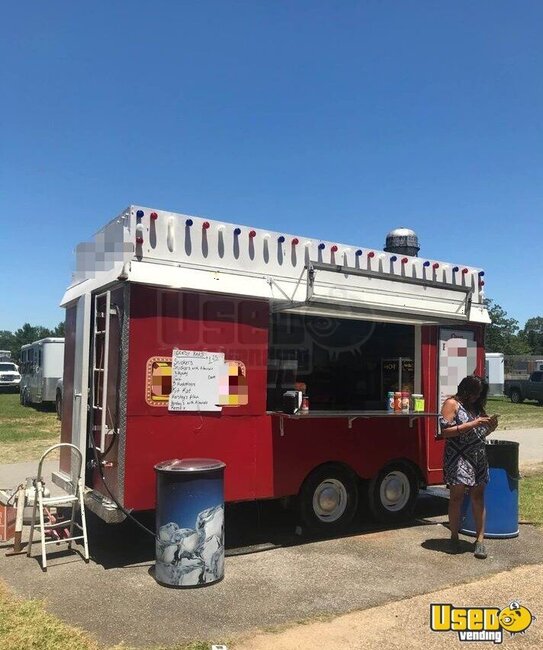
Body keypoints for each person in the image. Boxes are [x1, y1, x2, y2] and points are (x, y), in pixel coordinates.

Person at [439, 375, 498, 559]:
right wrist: (473, 423)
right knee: (456, 497)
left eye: (480, 394)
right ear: (466, 390)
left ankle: (480, 541)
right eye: (475, 393)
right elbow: (445, 432)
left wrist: (490, 427)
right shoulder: (452, 403)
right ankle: (454, 538)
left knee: (478, 496)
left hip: (478, 456)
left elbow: (479, 431)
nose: (477, 396)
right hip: (459, 457)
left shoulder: (476, 406)